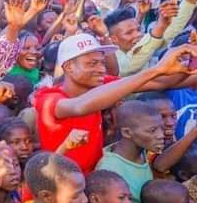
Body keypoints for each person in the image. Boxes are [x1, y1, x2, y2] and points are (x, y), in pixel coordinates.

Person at [35, 35, 196, 173]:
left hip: (92, 181)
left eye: (102, 62)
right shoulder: (48, 98)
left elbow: (159, 83)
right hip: (59, 187)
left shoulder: (102, 83)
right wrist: (156, 69)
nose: (101, 69)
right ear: (69, 67)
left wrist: (190, 63)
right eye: (92, 64)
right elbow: (80, 106)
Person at [96, 100, 165, 203]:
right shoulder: (111, 170)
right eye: (152, 130)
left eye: (161, 128)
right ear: (127, 133)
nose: (161, 135)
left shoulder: (142, 150)